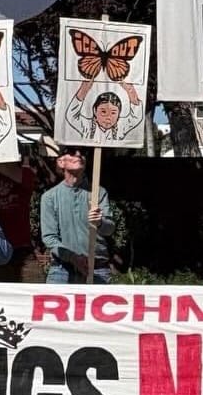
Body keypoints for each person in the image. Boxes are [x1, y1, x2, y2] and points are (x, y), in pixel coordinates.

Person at [40, 146, 116, 284]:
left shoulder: (98, 192)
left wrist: (100, 222)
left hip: (97, 267)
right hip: (62, 269)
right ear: (60, 162)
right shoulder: (49, 197)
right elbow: (49, 238)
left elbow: (110, 229)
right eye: (72, 152)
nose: (79, 154)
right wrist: (73, 257)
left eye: (82, 152)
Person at [67, 80, 144, 142]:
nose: (108, 117)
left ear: (119, 114)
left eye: (113, 113)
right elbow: (72, 115)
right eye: (103, 112)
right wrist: (84, 89)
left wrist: (130, 90)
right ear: (95, 111)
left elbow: (136, 117)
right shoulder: (87, 126)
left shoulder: (121, 127)